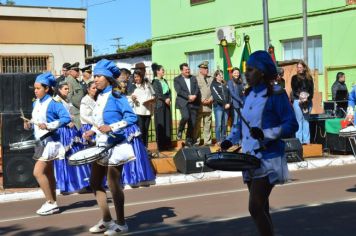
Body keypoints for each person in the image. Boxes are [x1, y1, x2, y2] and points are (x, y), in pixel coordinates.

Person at [242, 50, 298, 236]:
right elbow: (239, 124)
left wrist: (265, 134)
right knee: (262, 208)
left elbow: (291, 124)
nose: (246, 73)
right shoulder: (248, 95)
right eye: (246, 69)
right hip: (250, 158)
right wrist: (228, 140)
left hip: (270, 159)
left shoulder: (277, 94)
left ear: (262, 72)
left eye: (251, 69)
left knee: (255, 208)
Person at [83, 59, 138, 235]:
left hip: (116, 144)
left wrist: (112, 127)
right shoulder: (99, 96)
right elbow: (100, 121)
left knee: (114, 185)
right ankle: (107, 220)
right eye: (94, 76)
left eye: (98, 76)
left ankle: (121, 223)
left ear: (107, 78)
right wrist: (92, 130)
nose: (95, 79)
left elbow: (131, 118)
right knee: (94, 183)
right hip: (101, 145)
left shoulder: (117, 96)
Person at [24, 72, 71, 215]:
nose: (35, 90)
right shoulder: (35, 102)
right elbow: (36, 122)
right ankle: (54, 203)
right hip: (40, 142)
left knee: (38, 172)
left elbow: (66, 118)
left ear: (47, 88)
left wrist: (49, 125)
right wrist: (29, 125)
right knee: (49, 173)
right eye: (35, 88)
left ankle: (50, 202)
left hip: (50, 142)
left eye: (38, 88)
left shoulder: (53, 103)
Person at [53, 82, 91, 193]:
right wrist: (65, 122)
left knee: (75, 154)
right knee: (66, 156)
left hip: (71, 130)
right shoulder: (56, 101)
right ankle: (67, 184)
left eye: (68, 89)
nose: (67, 91)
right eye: (65, 89)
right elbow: (54, 117)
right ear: (59, 89)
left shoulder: (66, 100)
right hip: (63, 131)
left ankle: (79, 182)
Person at [174, 63, 201, 147]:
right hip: (183, 102)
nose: (188, 71)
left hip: (193, 102)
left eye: (188, 69)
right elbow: (179, 91)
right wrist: (188, 96)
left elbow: (197, 88)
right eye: (186, 70)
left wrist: (195, 96)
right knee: (186, 116)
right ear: (182, 71)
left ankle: (188, 141)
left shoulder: (193, 78)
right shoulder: (177, 79)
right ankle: (180, 130)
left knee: (192, 123)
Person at [127, 69, 155, 147]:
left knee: (146, 131)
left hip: (148, 111)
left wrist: (152, 100)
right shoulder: (132, 86)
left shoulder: (147, 85)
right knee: (141, 130)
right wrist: (132, 98)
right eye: (135, 77)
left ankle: (146, 148)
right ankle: (140, 148)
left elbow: (153, 94)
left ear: (141, 77)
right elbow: (128, 98)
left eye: (138, 77)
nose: (137, 79)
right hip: (138, 111)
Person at [291, 60, 314, 144]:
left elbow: (311, 91)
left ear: (304, 68)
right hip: (298, 101)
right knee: (299, 121)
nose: (299, 69)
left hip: (308, 101)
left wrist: (307, 98)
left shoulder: (309, 78)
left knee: (306, 120)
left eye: (301, 67)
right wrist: (301, 97)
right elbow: (294, 90)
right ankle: (299, 142)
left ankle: (307, 141)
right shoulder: (294, 78)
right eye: (298, 67)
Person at [151, 63, 172, 151]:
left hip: (166, 104)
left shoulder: (165, 80)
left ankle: (167, 144)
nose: (164, 71)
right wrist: (165, 99)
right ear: (157, 71)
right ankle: (161, 146)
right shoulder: (155, 81)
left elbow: (169, 91)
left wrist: (169, 98)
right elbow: (157, 93)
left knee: (167, 124)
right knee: (161, 124)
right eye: (162, 70)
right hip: (160, 104)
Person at [194, 61, 213, 146]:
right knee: (197, 125)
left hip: (209, 105)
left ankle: (207, 142)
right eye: (205, 68)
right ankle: (196, 141)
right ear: (200, 69)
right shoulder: (195, 78)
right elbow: (195, 91)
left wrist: (211, 99)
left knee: (207, 125)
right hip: (200, 105)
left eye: (207, 68)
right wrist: (201, 100)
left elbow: (214, 90)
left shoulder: (211, 78)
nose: (206, 69)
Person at [210, 69, 231, 145]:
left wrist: (229, 103)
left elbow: (229, 95)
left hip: (227, 107)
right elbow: (216, 96)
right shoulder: (213, 84)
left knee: (224, 124)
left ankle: (223, 139)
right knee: (218, 124)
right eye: (219, 75)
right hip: (218, 107)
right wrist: (224, 104)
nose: (221, 76)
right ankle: (218, 140)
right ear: (216, 76)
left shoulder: (225, 84)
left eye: (222, 75)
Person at [226, 67, 244, 145]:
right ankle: (233, 139)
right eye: (235, 72)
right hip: (236, 104)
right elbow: (232, 93)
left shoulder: (241, 81)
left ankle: (240, 139)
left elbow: (243, 91)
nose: (236, 74)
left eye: (237, 72)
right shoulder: (230, 82)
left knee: (241, 122)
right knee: (235, 122)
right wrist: (240, 100)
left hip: (242, 104)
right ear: (232, 74)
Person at [65, 62, 85, 130]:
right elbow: (69, 97)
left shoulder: (75, 80)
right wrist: (81, 106)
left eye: (78, 71)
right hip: (75, 111)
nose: (78, 73)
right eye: (76, 71)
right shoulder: (69, 81)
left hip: (78, 110)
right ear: (70, 71)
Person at [80, 81, 97, 145]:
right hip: (88, 126)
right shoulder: (85, 100)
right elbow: (83, 116)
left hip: (95, 125)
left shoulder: (96, 99)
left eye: (96, 88)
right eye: (93, 88)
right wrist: (95, 122)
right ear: (88, 90)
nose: (95, 90)